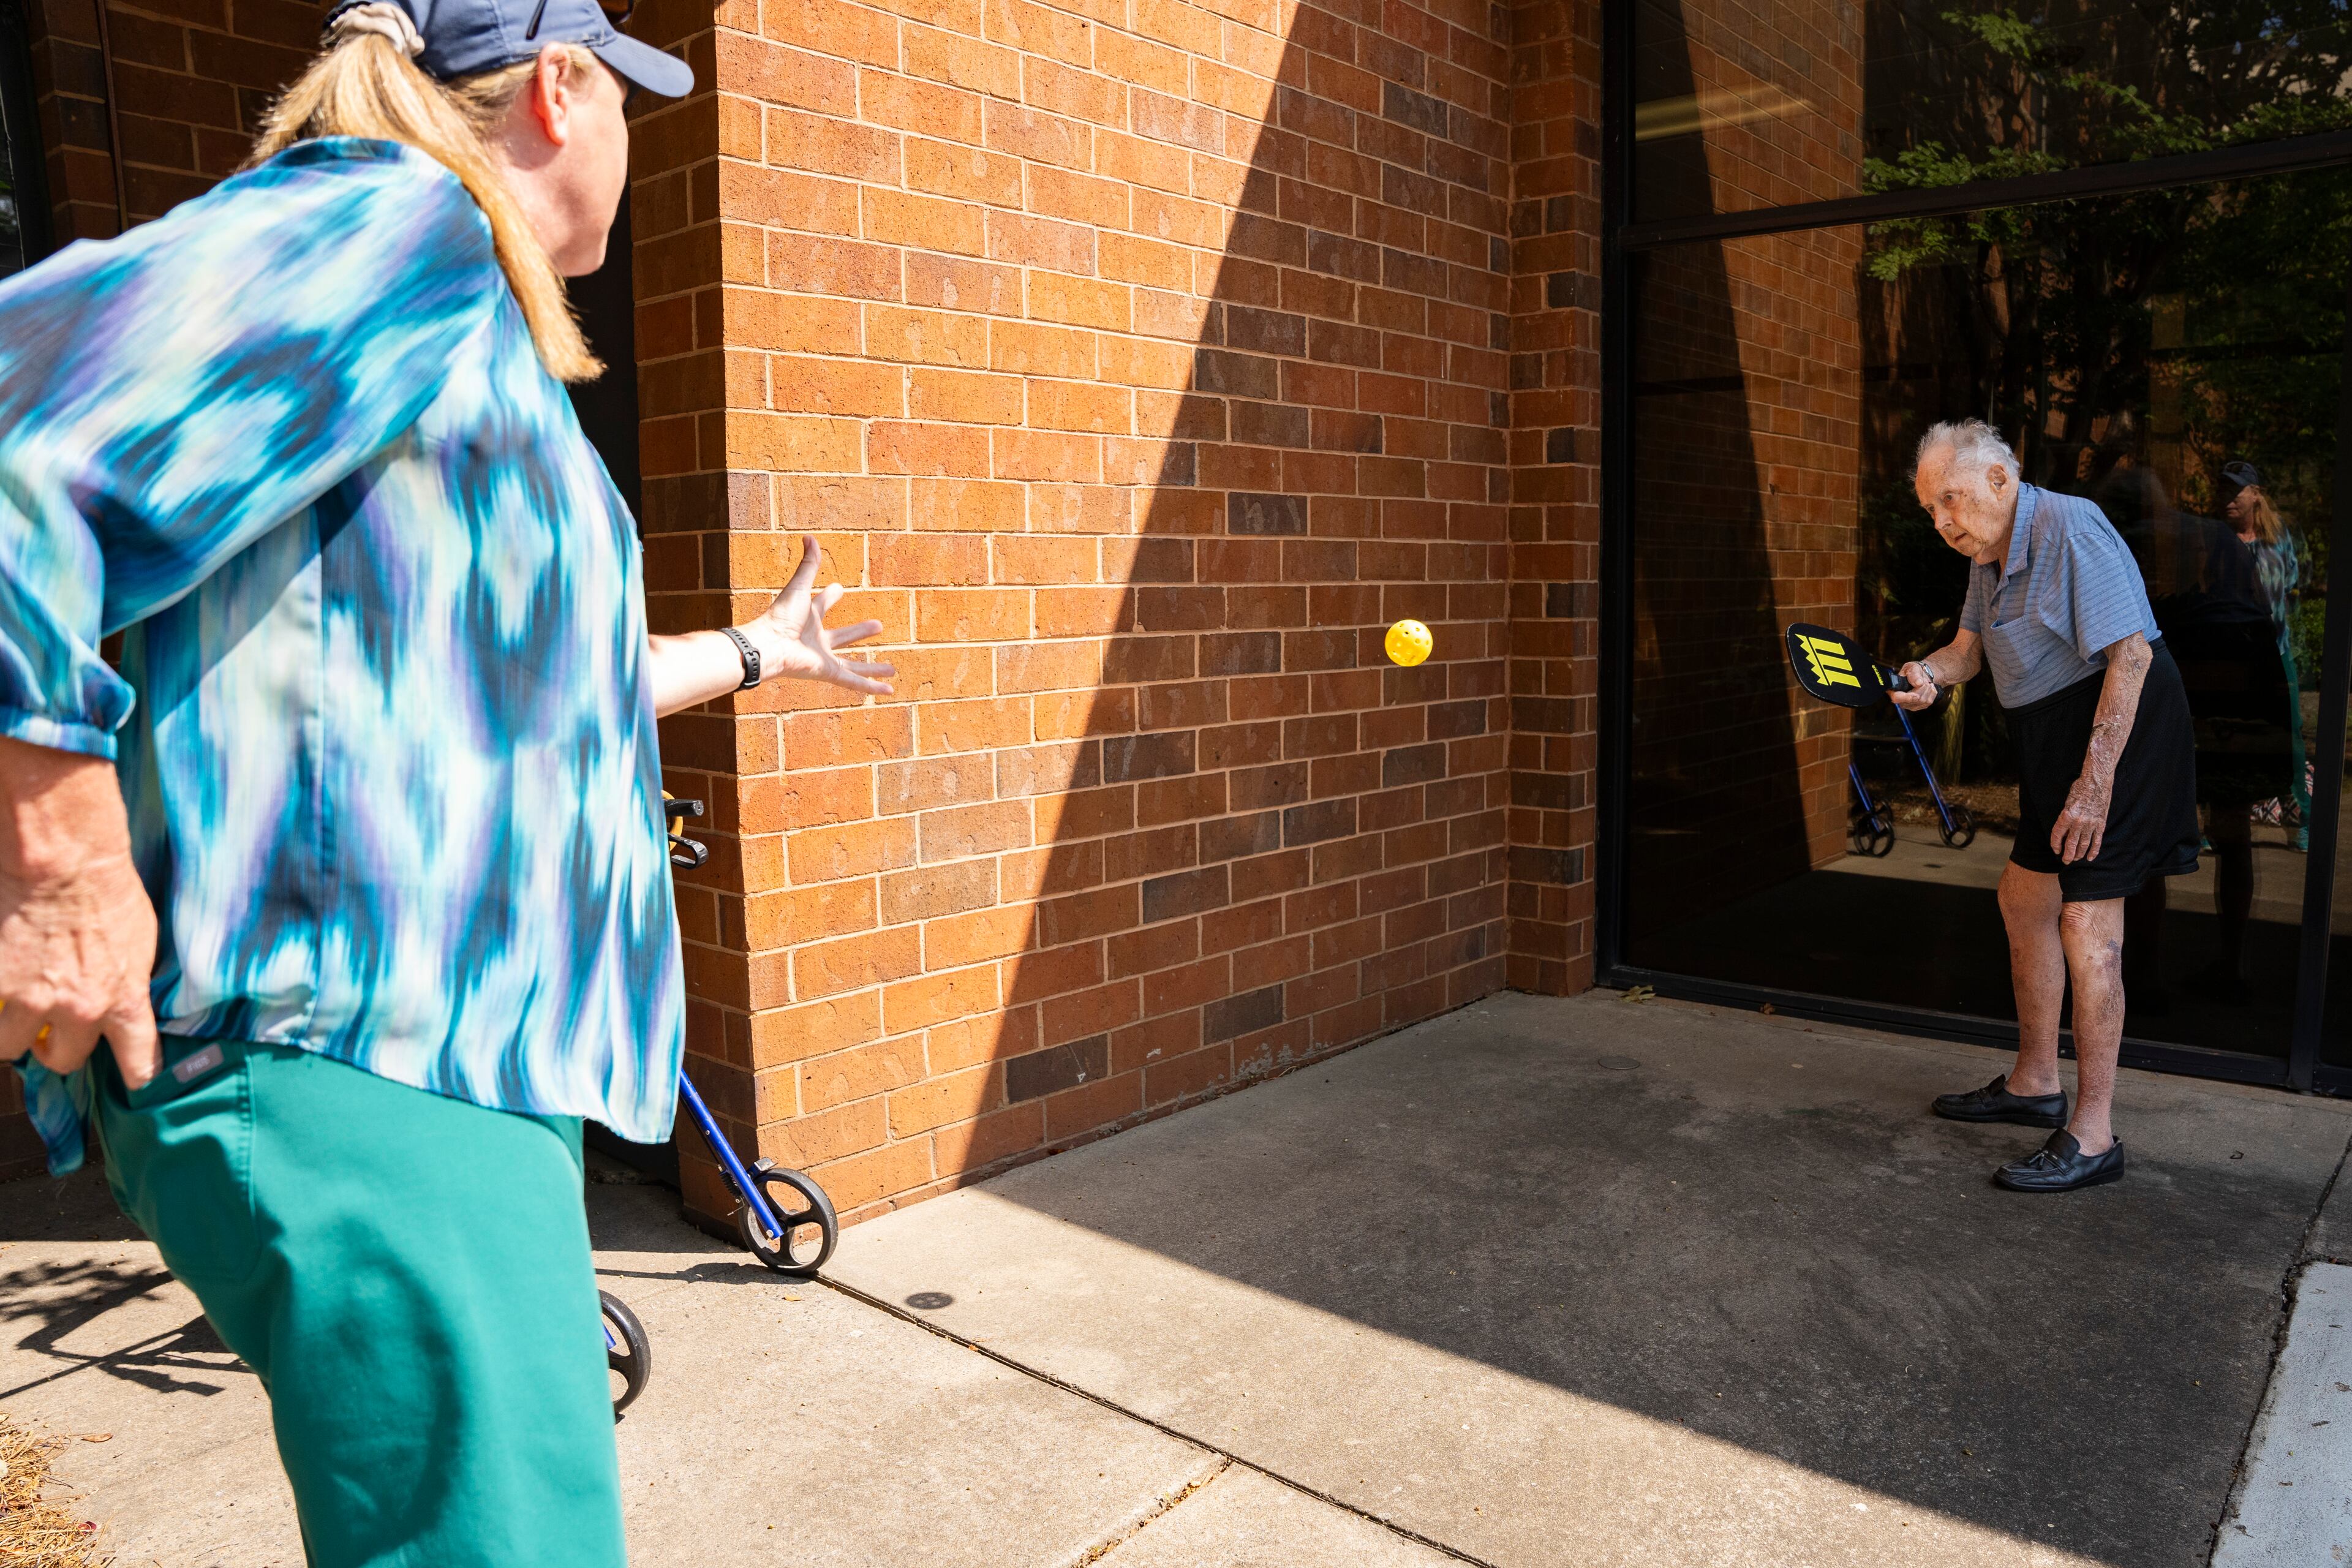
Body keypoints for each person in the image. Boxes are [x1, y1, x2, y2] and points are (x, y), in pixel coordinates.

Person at [0, 2, 890, 1562]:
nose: (632, 139)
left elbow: (529, 688)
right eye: (626, 96)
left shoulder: (452, 310)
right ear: (559, 87)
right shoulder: (398, 219)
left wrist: (756, 650)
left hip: (440, 1068)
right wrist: (55, 851)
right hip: (370, 1058)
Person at [1895, 421, 2198, 1192]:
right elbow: (1968, 650)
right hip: (2055, 735)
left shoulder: (2071, 525)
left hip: (2119, 728)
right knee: (2025, 897)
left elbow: (2130, 655)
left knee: (2085, 921)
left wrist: (2095, 785)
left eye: (1952, 501)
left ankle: (2094, 1134)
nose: (1943, 522)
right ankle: (2036, 1082)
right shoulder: (1988, 554)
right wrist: (1927, 673)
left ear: (2000, 481)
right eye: (1932, 508)